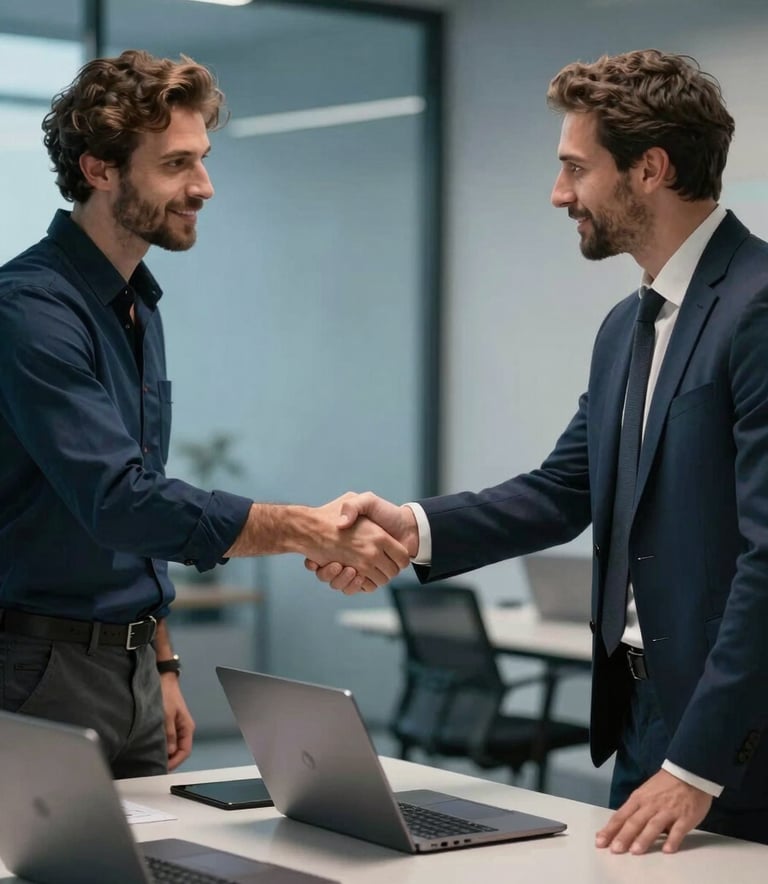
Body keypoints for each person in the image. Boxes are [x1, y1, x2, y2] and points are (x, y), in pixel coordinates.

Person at [309, 49, 768, 851]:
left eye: (575, 169)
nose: (560, 194)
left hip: (734, 739)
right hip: (639, 718)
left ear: (650, 168)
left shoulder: (758, 308)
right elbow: (563, 490)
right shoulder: (627, 327)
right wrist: (409, 526)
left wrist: (696, 766)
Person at [0, 49, 408, 779]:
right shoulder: (28, 311)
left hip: (128, 673)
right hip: (39, 673)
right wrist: (300, 528)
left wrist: (160, 664)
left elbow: (143, 490)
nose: (204, 186)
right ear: (99, 170)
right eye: (177, 164)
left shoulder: (135, 302)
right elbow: (117, 502)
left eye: (203, 159)